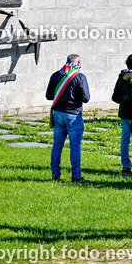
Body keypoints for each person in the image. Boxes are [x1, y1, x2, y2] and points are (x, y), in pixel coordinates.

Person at [46, 54, 91, 183]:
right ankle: (76, 176)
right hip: (73, 114)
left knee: (57, 146)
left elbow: (49, 95)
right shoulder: (79, 77)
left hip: (58, 113)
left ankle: (55, 175)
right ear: (78, 63)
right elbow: (86, 98)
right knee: (75, 147)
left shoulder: (56, 75)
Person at [111, 53, 132, 174]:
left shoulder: (121, 77)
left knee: (125, 140)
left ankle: (126, 165)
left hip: (124, 113)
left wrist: (124, 99)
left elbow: (115, 96)